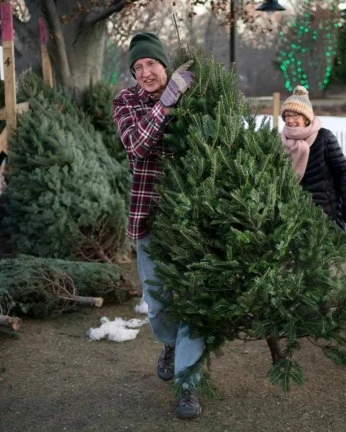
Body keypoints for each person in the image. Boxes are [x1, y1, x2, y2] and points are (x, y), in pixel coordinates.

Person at [112, 32, 203, 419]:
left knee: (196, 303)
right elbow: (136, 145)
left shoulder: (194, 99)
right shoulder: (126, 102)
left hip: (192, 220)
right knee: (158, 301)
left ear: (165, 65)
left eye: (151, 64)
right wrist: (167, 103)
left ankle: (188, 383)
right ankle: (167, 342)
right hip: (148, 218)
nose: (145, 72)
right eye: (138, 67)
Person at [280, 85, 346, 231]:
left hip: (326, 214)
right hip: (294, 216)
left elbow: (343, 171)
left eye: (295, 115)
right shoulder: (281, 142)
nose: (290, 120)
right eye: (287, 116)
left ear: (306, 117)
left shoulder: (324, 138)